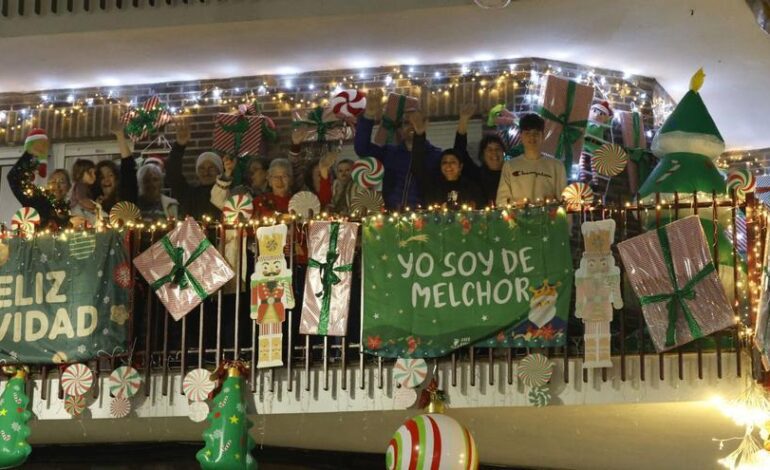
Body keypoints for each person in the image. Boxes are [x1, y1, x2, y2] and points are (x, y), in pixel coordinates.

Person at [354, 89, 442, 210]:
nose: (412, 126)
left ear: (426, 124)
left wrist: (420, 134)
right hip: (393, 216)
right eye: (406, 123)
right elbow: (362, 149)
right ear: (399, 127)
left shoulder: (436, 155)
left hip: (424, 219)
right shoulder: (390, 152)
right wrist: (369, 115)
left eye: (416, 121)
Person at [409, 111, 484, 208]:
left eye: (453, 162)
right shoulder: (433, 185)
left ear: (460, 166)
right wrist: (419, 134)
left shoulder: (471, 187)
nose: (448, 165)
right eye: (444, 162)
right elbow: (417, 164)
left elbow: (460, 146)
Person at [496, 113, 567, 206]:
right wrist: (518, 204)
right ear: (520, 136)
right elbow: (501, 201)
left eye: (536, 133)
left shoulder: (557, 166)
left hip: (548, 219)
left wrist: (552, 203)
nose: (532, 137)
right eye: (527, 133)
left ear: (543, 136)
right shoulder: (510, 166)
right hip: (518, 219)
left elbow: (564, 201)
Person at [7, 129, 73, 229]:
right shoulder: (37, 199)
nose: (57, 186)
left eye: (62, 182)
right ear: (47, 184)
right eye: (53, 181)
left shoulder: (70, 210)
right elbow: (14, 178)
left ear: (69, 187)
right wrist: (32, 155)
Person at [166, 119, 223, 219]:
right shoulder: (189, 194)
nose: (206, 172)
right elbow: (173, 175)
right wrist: (179, 146)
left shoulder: (227, 194)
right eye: (201, 168)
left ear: (219, 171)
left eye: (211, 168)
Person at [454, 103, 505, 206]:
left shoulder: (511, 174)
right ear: (482, 154)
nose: (494, 153)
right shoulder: (476, 174)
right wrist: (463, 120)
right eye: (489, 149)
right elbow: (460, 152)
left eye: (497, 149)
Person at [69, 159, 98, 224]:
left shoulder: (84, 187)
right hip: (79, 210)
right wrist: (95, 206)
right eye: (90, 172)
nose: (94, 176)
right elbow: (82, 200)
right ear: (80, 173)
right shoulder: (80, 186)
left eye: (94, 173)